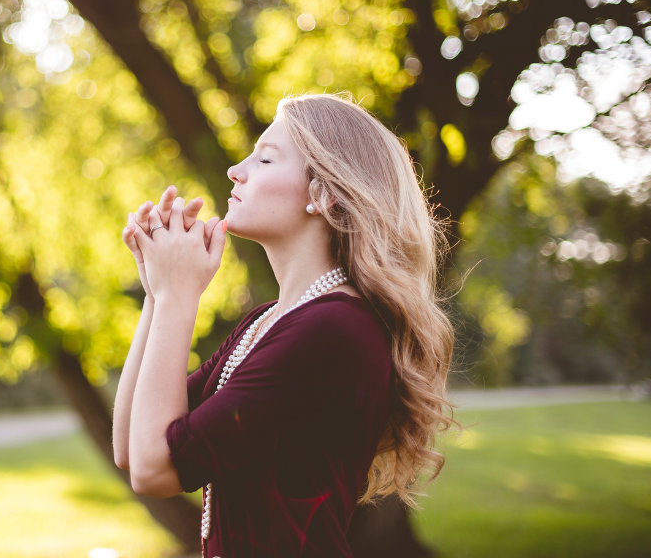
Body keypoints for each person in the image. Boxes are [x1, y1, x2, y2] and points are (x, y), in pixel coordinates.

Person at [111, 92, 457, 558]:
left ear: (323, 193)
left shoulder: (333, 330)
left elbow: (156, 470)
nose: (237, 169)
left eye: (265, 158)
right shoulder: (270, 321)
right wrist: (158, 292)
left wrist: (179, 295)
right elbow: (131, 449)